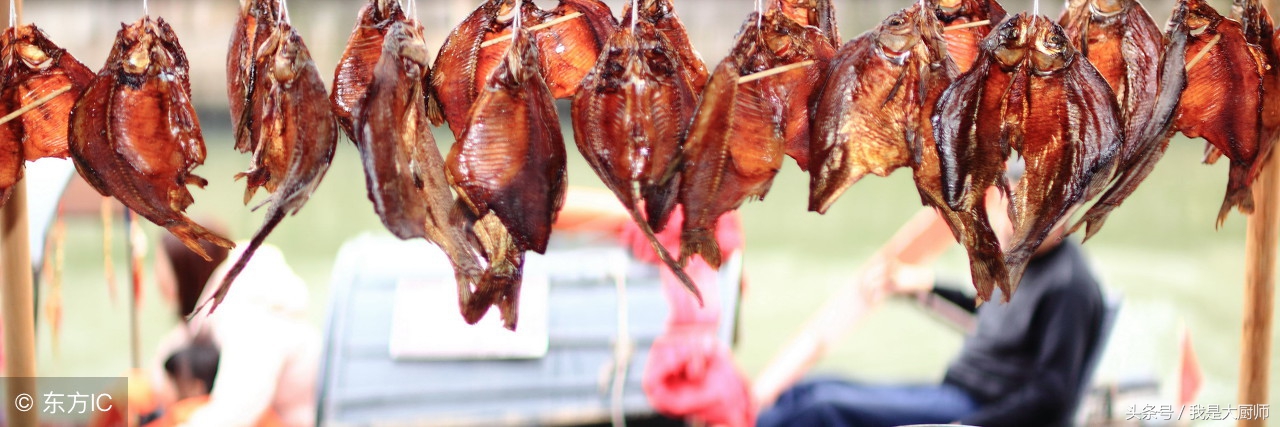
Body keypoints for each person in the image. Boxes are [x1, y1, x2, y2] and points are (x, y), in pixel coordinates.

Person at [756, 175, 1106, 427]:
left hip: (978, 406)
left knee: (822, 410)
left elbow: (1052, 396)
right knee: (810, 388)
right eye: (1011, 204)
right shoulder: (1020, 259)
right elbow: (987, 310)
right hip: (955, 388)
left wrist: (965, 425)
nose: (1015, 219)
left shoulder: (1069, 288)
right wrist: (926, 285)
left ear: (1064, 213)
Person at [150, 227, 320, 427]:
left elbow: (235, 411)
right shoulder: (213, 315)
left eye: (163, 271)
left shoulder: (248, 311)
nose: (156, 280)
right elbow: (163, 369)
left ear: (186, 274)